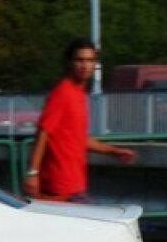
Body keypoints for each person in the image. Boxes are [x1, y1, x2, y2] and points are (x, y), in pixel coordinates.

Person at [23, 39, 136, 202]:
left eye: (90, 60)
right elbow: (43, 133)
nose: (85, 66)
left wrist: (113, 151)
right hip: (58, 187)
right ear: (69, 63)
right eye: (79, 60)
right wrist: (33, 173)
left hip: (76, 186)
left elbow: (79, 139)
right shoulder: (62, 93)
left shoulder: (79, 95)